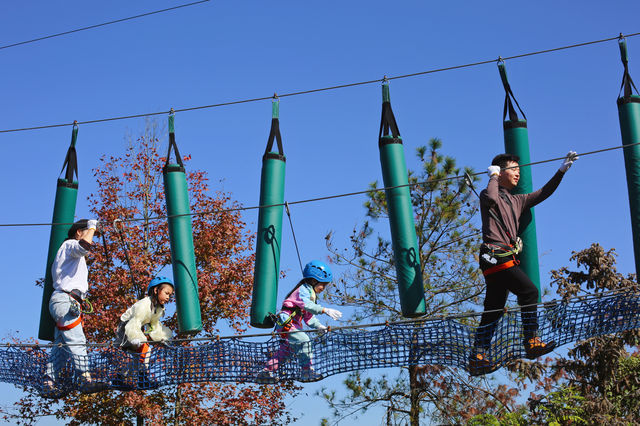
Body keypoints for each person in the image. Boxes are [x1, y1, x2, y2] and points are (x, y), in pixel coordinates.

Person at [469, 151, 579, 376]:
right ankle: (531, 340)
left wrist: (561, 171)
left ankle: (478, 354)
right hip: (495, 256)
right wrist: (492, 177)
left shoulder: (517, 200)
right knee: (529, 291)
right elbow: (490, 198)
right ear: (500, 172)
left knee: (494, 309)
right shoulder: (488, 193)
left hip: (501, 258)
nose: (518, 174)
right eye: (513, 169)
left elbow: (542, 193)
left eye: (519, 170)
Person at [257, 260, 342, 383]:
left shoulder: (310, 295)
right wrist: (324, 310)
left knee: (285, 353)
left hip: (290, 326)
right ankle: (307, 371)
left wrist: (319, 326)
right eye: (322, 284)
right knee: (305, 341)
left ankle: (266, 371)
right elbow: (307, 306)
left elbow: (309, 317)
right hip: (287, 324)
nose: (323, 288)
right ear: (313, 281)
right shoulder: (303, 291)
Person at [44, 219, 100, 393]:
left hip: (65, 300)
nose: (93, 237)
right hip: (66, 299)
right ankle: (85, 378)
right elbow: (84, 246)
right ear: (78, 232)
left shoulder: (67, 252)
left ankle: (49, 382)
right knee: (77, 340)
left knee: (61, 345)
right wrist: (92, 226)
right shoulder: (70, 244)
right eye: (89, 233)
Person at [113, 276, 174, 388]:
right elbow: (134, 322)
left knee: (139, 357)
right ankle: (142, 379)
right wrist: (135, 337)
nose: (168, 297)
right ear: (156, 290)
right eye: (166, 293)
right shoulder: (144, 304)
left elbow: (155, 325)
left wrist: (163, 337)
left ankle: (119, 378)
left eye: (170, 295)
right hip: (126, 327)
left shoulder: (159, 308)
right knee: (145, 350)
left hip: (137, 328)